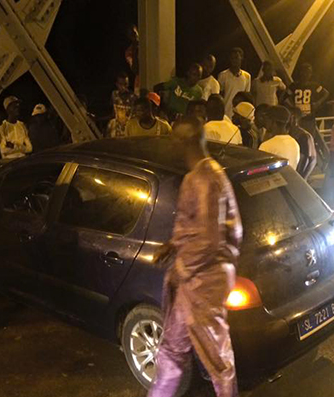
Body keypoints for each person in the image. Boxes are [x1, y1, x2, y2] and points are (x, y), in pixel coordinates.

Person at [148, 116, 242, 397]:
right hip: (192, 281)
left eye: (173, 141)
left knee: (218, 359)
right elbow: (198, 227)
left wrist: (183, 269)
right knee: (172, 349)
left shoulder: (202, 178)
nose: (170, 147)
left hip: (202, 282)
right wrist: (173, 244)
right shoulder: (208, 174)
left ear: (185, 143)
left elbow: (209, 240)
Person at [285, 62, 329, 164]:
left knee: (310, 141)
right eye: (304, 72)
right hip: (297, 120)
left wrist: (318, 102)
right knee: (297, 140)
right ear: (300, 73)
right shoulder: (294, 86)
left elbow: (326, 93)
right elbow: (285, 98)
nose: (306, 74)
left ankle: (310, 161)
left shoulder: (313, 85)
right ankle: (299, 160)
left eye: (308, 72)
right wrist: (292, 108)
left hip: (309, 119)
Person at [218, 48, 252, 118]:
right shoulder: (223, 75)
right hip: (226, 113)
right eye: (232, 58)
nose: (234, 60)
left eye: (236, 57)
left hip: (240, 115)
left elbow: (246, 97)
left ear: (241, 58)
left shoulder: (247, 76)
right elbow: (220, 95)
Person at [289, 107, 317, 179]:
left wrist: (301, 179)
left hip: (299, 176)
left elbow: (307, 159)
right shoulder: (293, 133)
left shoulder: (303, 136)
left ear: (293, 118)